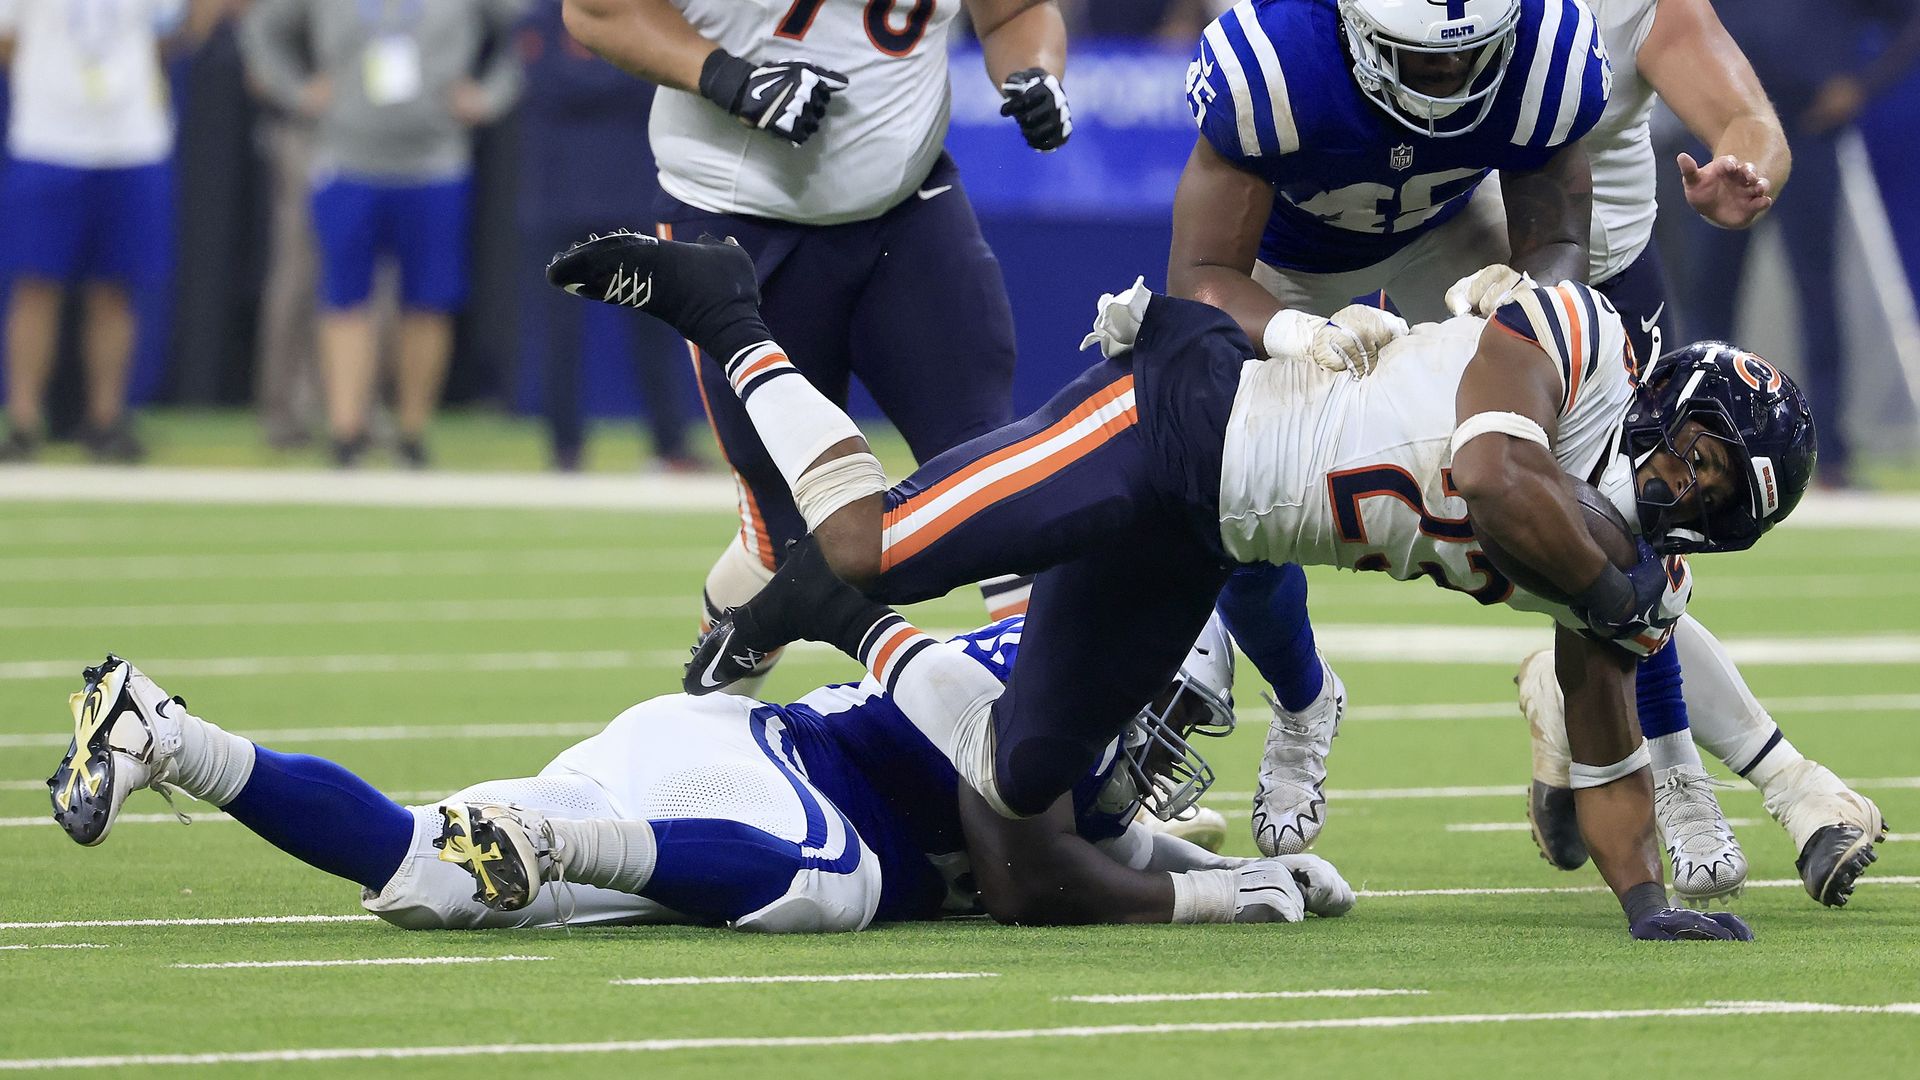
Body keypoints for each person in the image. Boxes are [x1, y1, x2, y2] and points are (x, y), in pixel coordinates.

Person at [553, 232, 1822, 940]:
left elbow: (1605, 761)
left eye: (1720, 507)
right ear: (1670, 400)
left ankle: (821, 621)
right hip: (1173, 417)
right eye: (1701, 460)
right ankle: (732, 316)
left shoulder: (1604, 560)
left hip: (1206, 541)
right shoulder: (1584, 342)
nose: (1688, 495)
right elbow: (1496, 478)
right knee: (857, 546)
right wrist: (1615, 599)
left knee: (1024, 826)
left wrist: (1647, 903)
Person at [48, 624, 1357, 931]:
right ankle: (567, 847)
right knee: (837, 885)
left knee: (425, 874)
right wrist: (1197, 902)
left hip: (697, 765)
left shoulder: (1057, 653)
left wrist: (1222, 863)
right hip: (763, 775)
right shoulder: (1029, 688)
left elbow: (1099, 835)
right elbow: (1028, 874)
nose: (1165, 745)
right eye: (1167, 712)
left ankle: (166, 734)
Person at [1444, 0, 1881, 907]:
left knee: (1640, 544)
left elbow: (1749, 120)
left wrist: (1746, 168)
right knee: (1518, 545)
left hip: (1606, 287)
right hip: (1464, 288)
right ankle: (1753, 779)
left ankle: (1713, 785)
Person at [1161, 0, 1613, 862]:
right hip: (1279, 267)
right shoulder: (1279, 58)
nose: (1445, 76)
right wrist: (1295, 333)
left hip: (1447, 236)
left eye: (1468, 56)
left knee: (1595, 474)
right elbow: (1203, 273)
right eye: (1420, 58)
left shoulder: (1544, 55)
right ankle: (1302, 700)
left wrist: (1528, 294)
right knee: (1233, 499)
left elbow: (1558, 239)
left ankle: (1662, 755)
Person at [558, 0, 1074, 688]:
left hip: (910, 214)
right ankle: (707, 735)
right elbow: (599, 11)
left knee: (1001, 490)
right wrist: (730, 80)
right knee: (790, 538)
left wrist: (1035, 74)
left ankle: (1064, 762)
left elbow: (1017, 12)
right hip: (740, 224)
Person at [239, 0, 527, 468]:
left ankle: (411, 432)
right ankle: (346, 430)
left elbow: (534, 30)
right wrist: (297, 91)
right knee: (345, 298)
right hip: (346, 157)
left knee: (428, 302)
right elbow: (261, 29)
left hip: (435, 161)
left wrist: (491, 95)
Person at [1677, 0, 1920, 489]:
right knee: (1708, 298)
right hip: (1723, 137)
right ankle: (1699, 447)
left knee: (1818, 296)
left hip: (1809, 130)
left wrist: (1863, 83)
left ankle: (1829, 453)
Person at [0, 0, 220, 463]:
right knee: (35, 285)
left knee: (117, 288)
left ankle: (105, 419)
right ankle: (23, 421)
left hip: (130, 137)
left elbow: (178, 30)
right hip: (48, 136)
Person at [516, 0, 702, 472]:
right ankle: (565, 448)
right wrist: (626, 69)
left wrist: (626, 74)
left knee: (658, 327)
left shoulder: (642, 14)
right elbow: (547, 86)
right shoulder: (539, 18)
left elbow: (658, 80)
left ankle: (670, 446)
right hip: (558, 197)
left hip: (633, 193)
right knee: (558, 334)